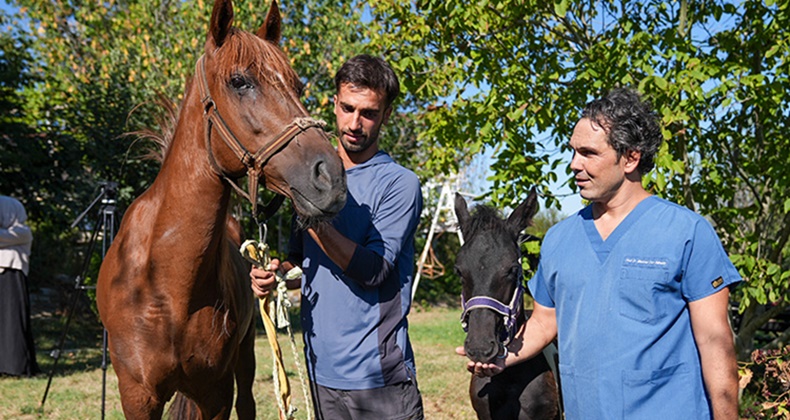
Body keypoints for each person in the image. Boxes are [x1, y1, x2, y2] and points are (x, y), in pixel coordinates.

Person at [460, 88, 741, 419]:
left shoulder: (686, 232)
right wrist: (502, 357)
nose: (573, 164)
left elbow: (715, 343)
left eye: (588, 153)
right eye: (573, 152)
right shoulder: (559, 239)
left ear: (630, 158)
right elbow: (544, 322)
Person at [251, 54, 424, 419]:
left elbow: (373, 270)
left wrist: (312, 216)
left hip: (378, 382)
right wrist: (274, 275)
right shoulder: (313, 179)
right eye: (347, 108)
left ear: (386, 116)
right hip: (320, 374)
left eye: (369, 113)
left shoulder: (399, 184)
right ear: (334, 104)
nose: (355, 123)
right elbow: (300, 261)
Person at [0, 195, 40, 377]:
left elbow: (17, 237)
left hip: (11, 274)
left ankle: (13, 366)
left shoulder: (23, 233)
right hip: (11, 272)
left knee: (12, 322)